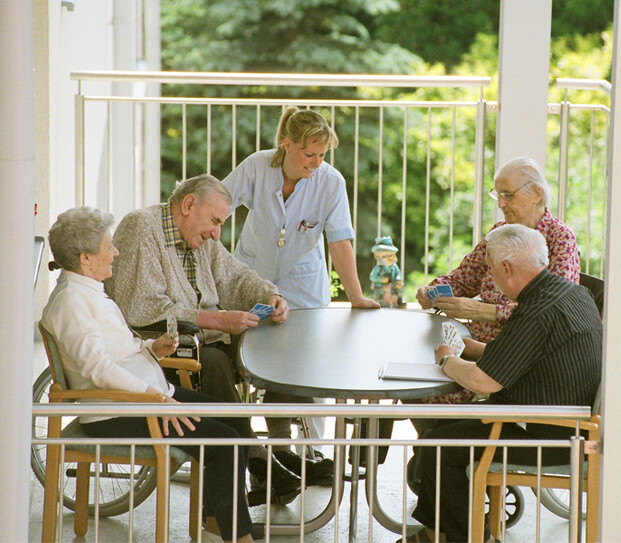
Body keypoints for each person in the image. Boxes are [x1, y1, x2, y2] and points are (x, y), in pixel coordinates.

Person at [41, 206, 296, 542]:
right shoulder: (71, 302)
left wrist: (152, 350)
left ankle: (217, 524)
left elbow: (114, 354)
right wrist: (158, 399)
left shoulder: (87, 292)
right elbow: (96, 368)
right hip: (116, 410)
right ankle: (238, 536)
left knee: (234, 419)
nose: (116, 251)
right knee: (223, 443)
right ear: (86, 258)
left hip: (144, 397)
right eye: (109, 246)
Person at [104, 175, 319, 498]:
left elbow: (235, 276)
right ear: (189, 204)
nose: (217, 233)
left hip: (203, 339)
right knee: (215, 362)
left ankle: (282, 448)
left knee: (280, 346)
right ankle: (257, 457)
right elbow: (141, 306)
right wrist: (216, 319)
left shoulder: (200, 238)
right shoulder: (142, 228)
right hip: (157, 348)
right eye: (215, 221)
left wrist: (271, 297)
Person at [405, 224, 602, 543]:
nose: (492, 281)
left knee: (437, 447)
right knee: (439, 438)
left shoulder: (536, 311)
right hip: (570, 425)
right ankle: (436, 536)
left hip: (548, 435)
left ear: (507, 268)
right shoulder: (569, 293)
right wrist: (469, 349)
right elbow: (530, 355)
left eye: (493, 271)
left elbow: (484, 382)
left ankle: (464, 538)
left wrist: (446, 359)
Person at [221, 106, 379, 462]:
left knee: (302, 365)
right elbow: (218, 206)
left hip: (302, 287)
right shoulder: (257, 167)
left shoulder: (331, 182)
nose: (316, 163)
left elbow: (339, 242)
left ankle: (310, 452)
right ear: (286, 144)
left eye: (322, 155)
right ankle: (271, 445)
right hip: (253, 277)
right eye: (309, 154)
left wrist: (356, 297)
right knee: (257, 360)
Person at [415, 155, 580, 406]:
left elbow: (553, 313)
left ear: (536, 193)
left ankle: (443, 442)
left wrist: (487, 312)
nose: (501, 203)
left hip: (510, 359)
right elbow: (463, 279)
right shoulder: (498, 233)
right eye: (497, 195)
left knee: (424, 395)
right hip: (471, 346)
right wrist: (432, 291)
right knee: (411, 379)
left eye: (508, 195)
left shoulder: (560, 239)